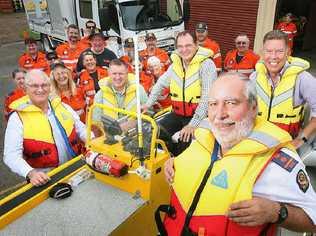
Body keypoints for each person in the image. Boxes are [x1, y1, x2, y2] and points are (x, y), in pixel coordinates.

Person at [161, 72, 316, 235]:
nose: (219, 115)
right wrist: (174, 163)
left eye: (231, 103)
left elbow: (313, 219)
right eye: (213, 104)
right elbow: (198, 164)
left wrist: (276, 212)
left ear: (253, 107)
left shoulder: (277, 163)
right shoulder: (204, 134)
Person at [4, 69, 87, 186]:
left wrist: (92, 141)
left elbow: (81, 129)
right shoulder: (17, 118)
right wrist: (31, 173)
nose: (40, 89)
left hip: (75, 169)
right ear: (26, 89)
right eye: (34, 86)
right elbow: (11, 155)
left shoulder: (62, 106)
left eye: (44, 85)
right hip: (46, 179)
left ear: (50, 87)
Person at [143, 31, 217, 156]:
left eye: (188, 45)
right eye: (180, 46)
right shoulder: (176, 65)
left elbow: (207, 98)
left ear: (196, 45)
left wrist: (192, 125)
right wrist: (148, 104)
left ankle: (179, 165)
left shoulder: (206, 65)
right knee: (155, 132)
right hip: (177, 114)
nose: (184, 50)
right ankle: (168, 158)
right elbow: (160, 84)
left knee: (185, 141)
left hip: (199, 117)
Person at [250, 30, 316, 149]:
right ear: (262, 53)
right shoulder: (254, 77)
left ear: (288, 53)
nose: (273, 57)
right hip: (257, 140)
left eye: (279, 51)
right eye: (269, 51)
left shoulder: (303, 79)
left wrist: (301, 140)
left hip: (286, 143)